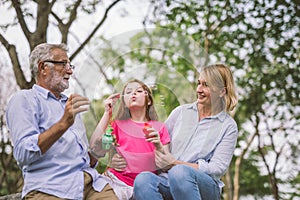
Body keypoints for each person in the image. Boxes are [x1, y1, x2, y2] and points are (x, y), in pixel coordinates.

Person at [5, 43, 117, 200]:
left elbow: (84, 161)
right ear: (43, 67)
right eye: (63, 64)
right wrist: (63, 124)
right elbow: (23, 154)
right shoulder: (24, 99)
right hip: (49, 188)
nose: (70, 71)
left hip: (91, 185)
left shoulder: (69, 106)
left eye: (70, 65)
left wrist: (99, 150)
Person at [112, 64, 238, 200]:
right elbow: (157, 146)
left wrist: (175, 164)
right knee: (143, 179)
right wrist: (120, 159)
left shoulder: (228, 126)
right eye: (199, 83)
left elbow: (216, 169)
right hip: (167, 181)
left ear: (221, 91)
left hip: (204, 187)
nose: (199, 89)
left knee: (179, 173)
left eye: (206, 85)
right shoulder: (180, 112)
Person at [89, 79, 171, 199]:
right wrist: (107, 113)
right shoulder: (117, 125)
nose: (133, 94)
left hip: (144, 186)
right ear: (125, 102)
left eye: (138, 91)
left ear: (148, 101)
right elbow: (93, 146)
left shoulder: (159, 128)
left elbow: (166, 163)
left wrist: (158, 146)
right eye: (128, 92)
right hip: (116, 182)